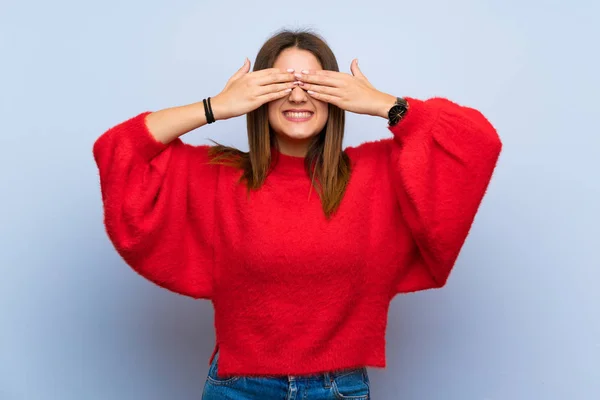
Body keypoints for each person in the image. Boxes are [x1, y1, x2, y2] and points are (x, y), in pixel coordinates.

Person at [92, 28, 502, 399]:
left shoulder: (376, 174)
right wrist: (216, 106)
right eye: (280, 83)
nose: (297, 95)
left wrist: (383, 105)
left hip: (339, 388)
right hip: (239, 388)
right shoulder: (216, 177)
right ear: (258, 96)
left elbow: (477, 142)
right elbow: (118, 149)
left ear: (336, 95)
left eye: (313, 83)